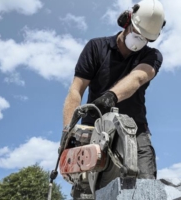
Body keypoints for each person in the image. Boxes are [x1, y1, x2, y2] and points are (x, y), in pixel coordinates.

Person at [62, 0, 165, 199]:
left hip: (136, 132)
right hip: (94, 132)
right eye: (137, 32)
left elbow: (138, 77)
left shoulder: (152, 56)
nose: (139, 40)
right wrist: (68, 133)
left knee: (145, 188)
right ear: (126, 22)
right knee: (88, 190)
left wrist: (110, 97)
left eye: (146, 38)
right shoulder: (96, 47)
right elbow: (76, 90)